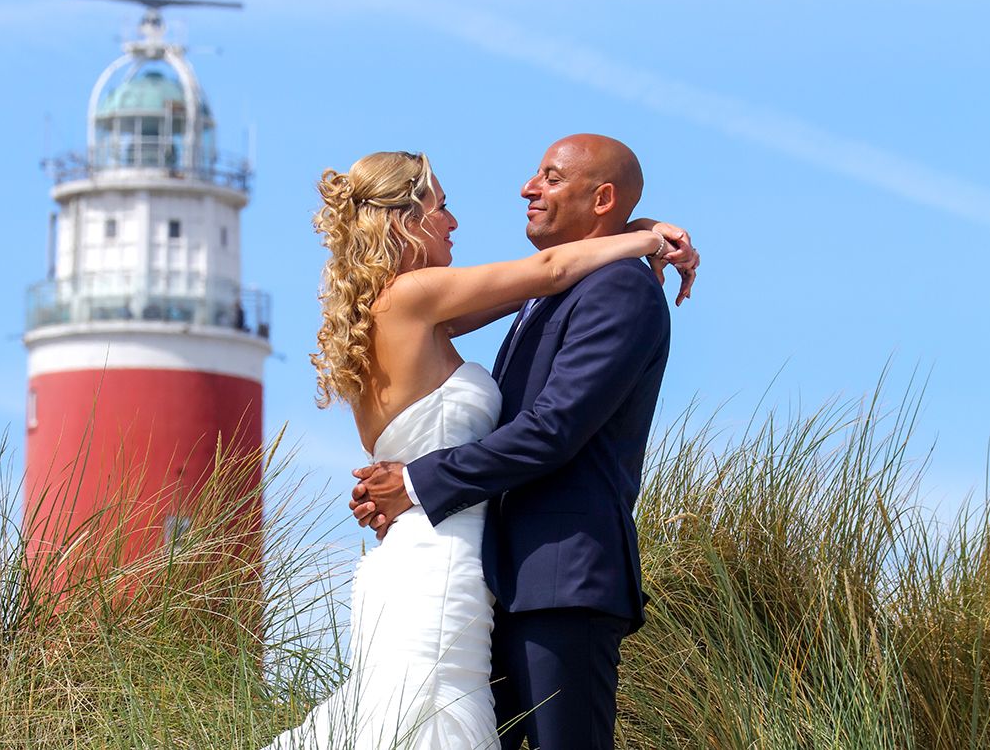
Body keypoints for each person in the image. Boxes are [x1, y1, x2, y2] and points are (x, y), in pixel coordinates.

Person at [264, 144, 696, 750]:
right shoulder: (416, 298)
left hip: (496, 567)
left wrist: (641, 226)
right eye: (442, 207)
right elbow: (546, 276)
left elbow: (547, 280)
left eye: (550, 177)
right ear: (405, 221)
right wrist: (648, 238)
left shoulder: (412, 309)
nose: (455, 221)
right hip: (448, 561)